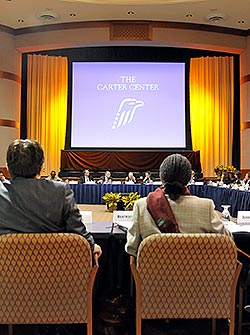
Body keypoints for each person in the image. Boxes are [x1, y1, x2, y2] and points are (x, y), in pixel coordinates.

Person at [0, 139, 102, 257]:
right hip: (56, 271)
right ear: (41, 167)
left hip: (7, 272)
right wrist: (92, 245)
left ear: (7, 167)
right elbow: (78, 232)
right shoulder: (60, 191)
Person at [125, 153, 232, 257]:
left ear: (161, 178)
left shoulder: (142, 206)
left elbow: (131, 247)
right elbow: (228, 240)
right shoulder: (206, 206)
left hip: (152, 274)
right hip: (199, 273)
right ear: (190, 178)